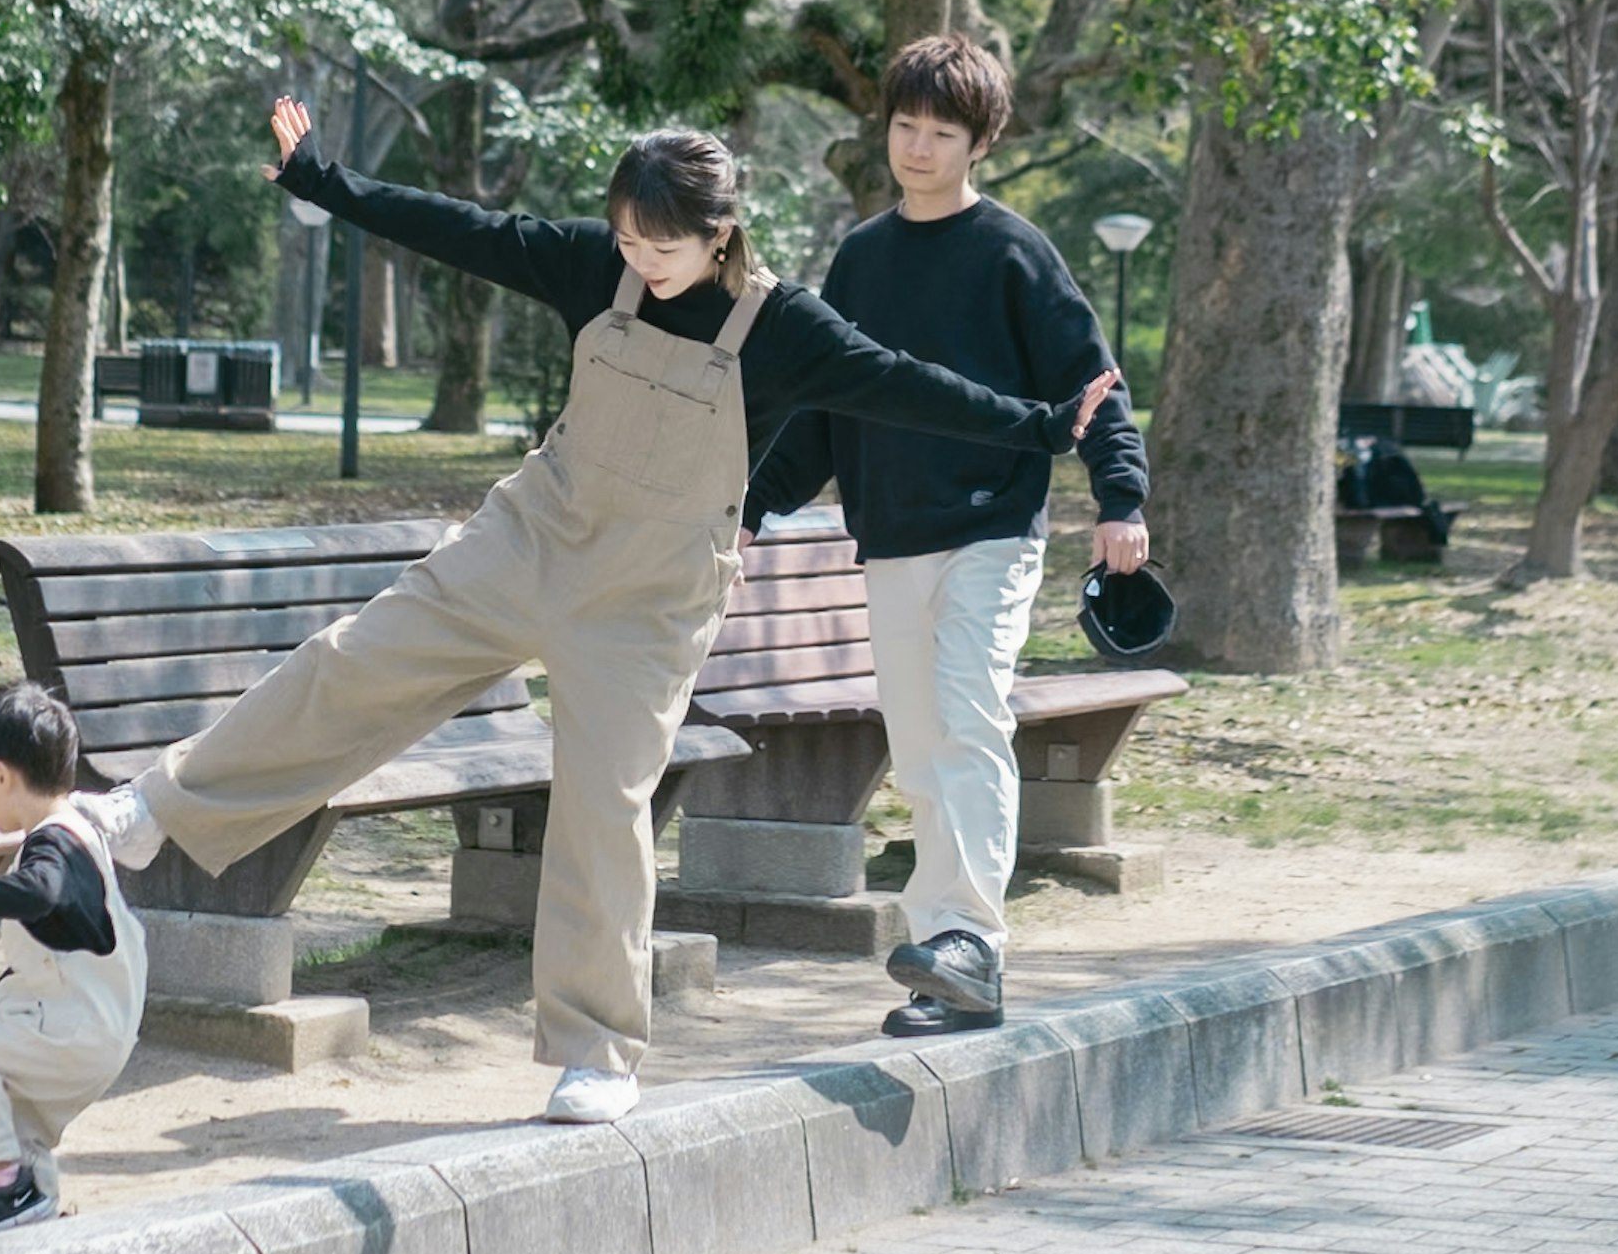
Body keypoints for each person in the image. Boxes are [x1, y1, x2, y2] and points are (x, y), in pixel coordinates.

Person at [84, 95, 1118, 1126]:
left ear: (722, 233)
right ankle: (153, 810)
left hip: (653, 596)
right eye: (627, 236)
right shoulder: (597, 269)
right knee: (354, 658)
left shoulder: (785, 324)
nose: (641, 259)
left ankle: (597, 1052)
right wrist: (322, 179)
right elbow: (466, 231)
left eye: (663, 245)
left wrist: (1039, 426)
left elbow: (904, 384)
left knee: (603, 809)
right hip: (533, 537)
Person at [745, 35, 1150, 1039]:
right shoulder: (862, 257)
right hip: (888, 536)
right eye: (905, 127)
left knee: (967, 714)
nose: (918, 148)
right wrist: (748, 505)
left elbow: (1092, 384)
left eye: (942, 133)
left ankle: (969, 939)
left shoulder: (1014, 251)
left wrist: (1121, 497)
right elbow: (821, 412)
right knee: (921, 749)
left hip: (990, 529)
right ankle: (949, 974)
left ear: (981, 143)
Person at [0, 682, 147, 1238]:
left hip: (78, 1028)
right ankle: (33, 1207)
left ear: (0, 776)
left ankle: (0, 1185)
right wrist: (3, 994)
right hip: (102, 1026)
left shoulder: (50, 845)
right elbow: (59, 931)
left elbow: (38, 894)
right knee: (18, 1110)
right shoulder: (82, 834)